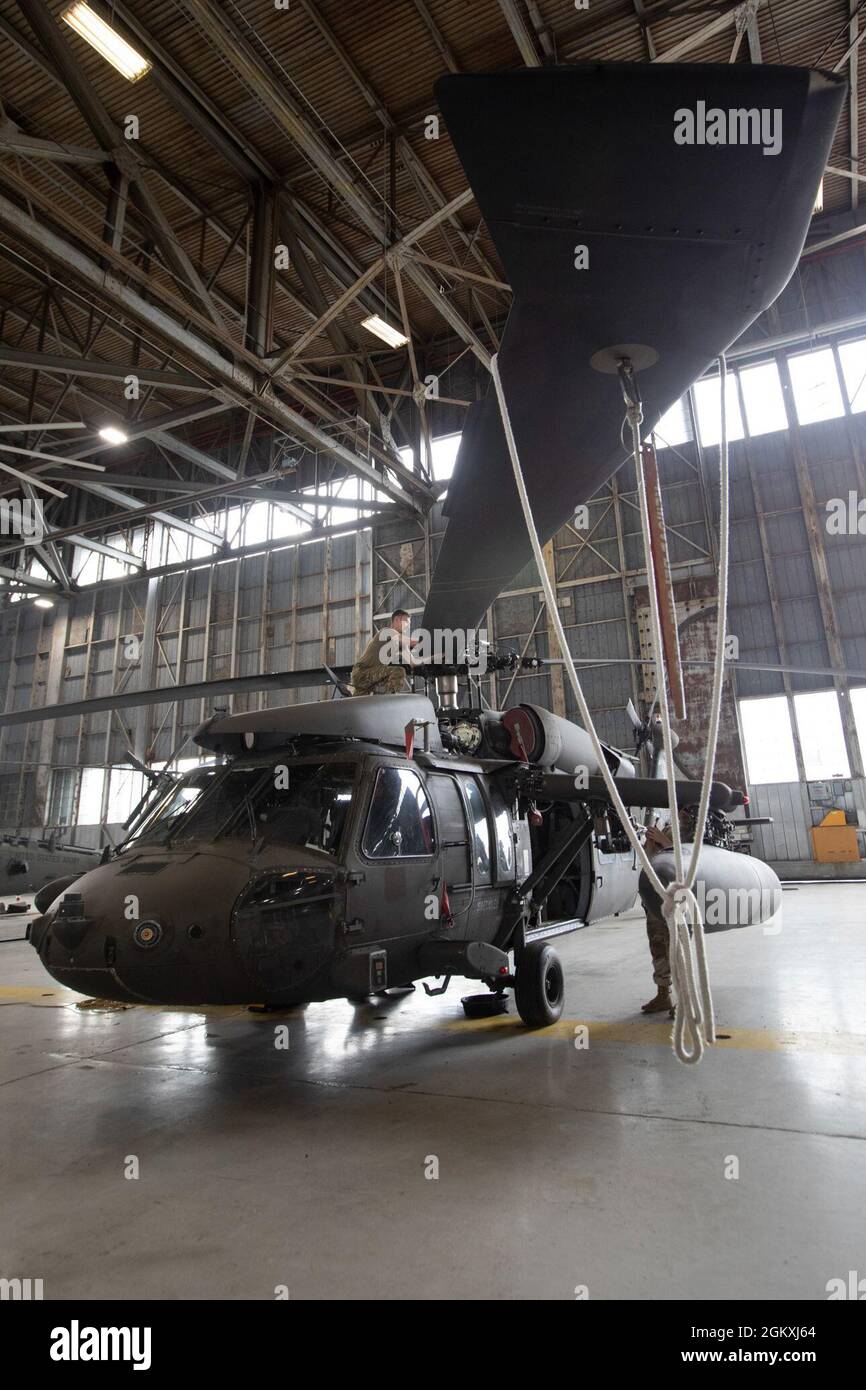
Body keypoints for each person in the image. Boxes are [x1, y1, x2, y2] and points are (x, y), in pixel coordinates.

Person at [350, 609, 417, 696]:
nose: (408, 626)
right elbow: (410, 642)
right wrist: (422, 641)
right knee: (398, 671)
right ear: (397, 620)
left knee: (358, 705)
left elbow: (413, 662)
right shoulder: (386, 631)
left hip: (371, 676)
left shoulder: (400, 643)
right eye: (406, 622)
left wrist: (436, 656)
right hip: (362, 673)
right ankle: (391, 701)